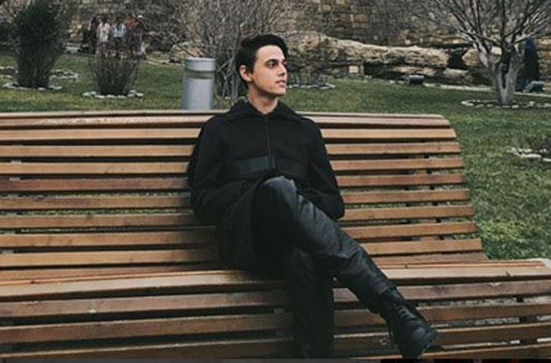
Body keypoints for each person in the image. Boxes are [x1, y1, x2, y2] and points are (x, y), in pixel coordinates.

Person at [187, 34, 439, 358]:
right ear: (246, 73)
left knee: (307, 256)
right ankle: (395, 309)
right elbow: (203, 203)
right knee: (276, 189)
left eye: (284, 64)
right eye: (272, 64)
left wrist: (294, 199)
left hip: (299, 242)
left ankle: (347, 342)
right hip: (247, 243)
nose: (283, 71)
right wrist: (261, 188)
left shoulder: (303, 130)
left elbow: (333, 203)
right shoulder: (220, 129)